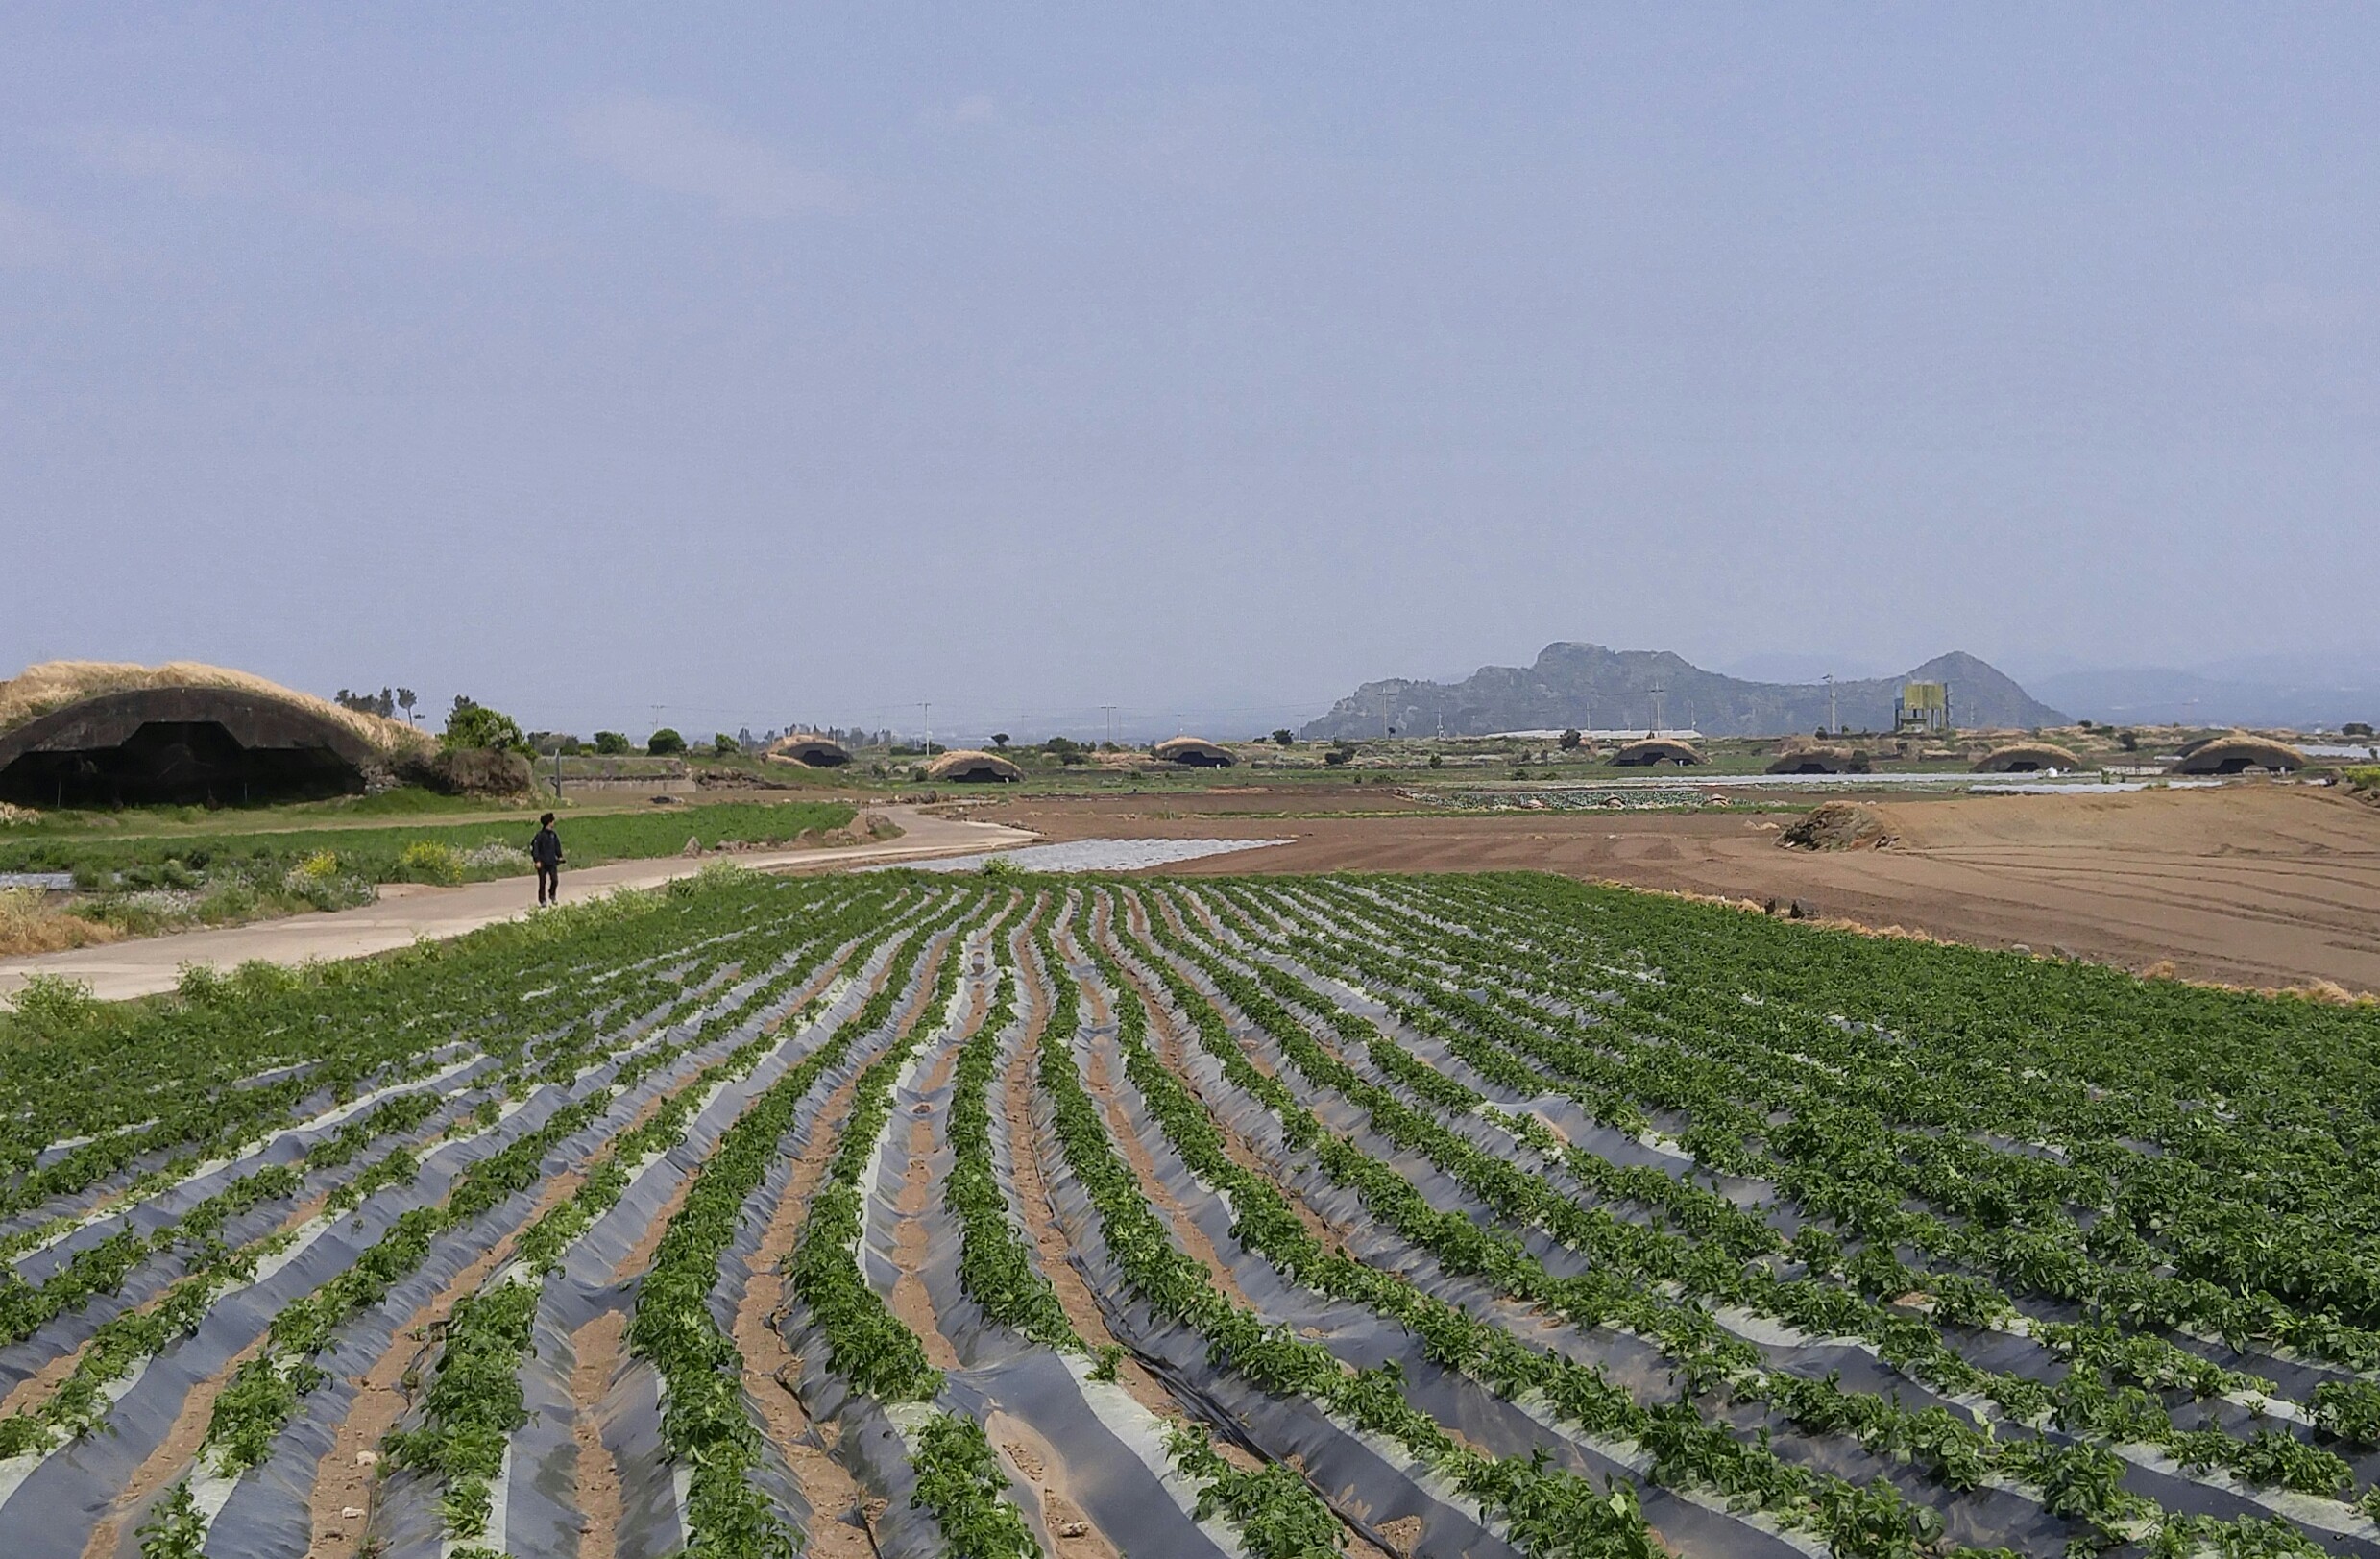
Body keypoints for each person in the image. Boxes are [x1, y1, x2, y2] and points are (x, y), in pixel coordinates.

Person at [530, 813, 564, 906]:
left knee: (555, 880)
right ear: (549, 822)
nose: (554, 823)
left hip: (552, 861)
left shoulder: (553, 835)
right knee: (542, 882)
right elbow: (535, 848)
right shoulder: (540, 836)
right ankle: (542, 900)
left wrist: (559, 856)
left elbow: (557, 846)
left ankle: (552, 894)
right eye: (553, 821)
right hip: (542, 862)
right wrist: (537, 860)